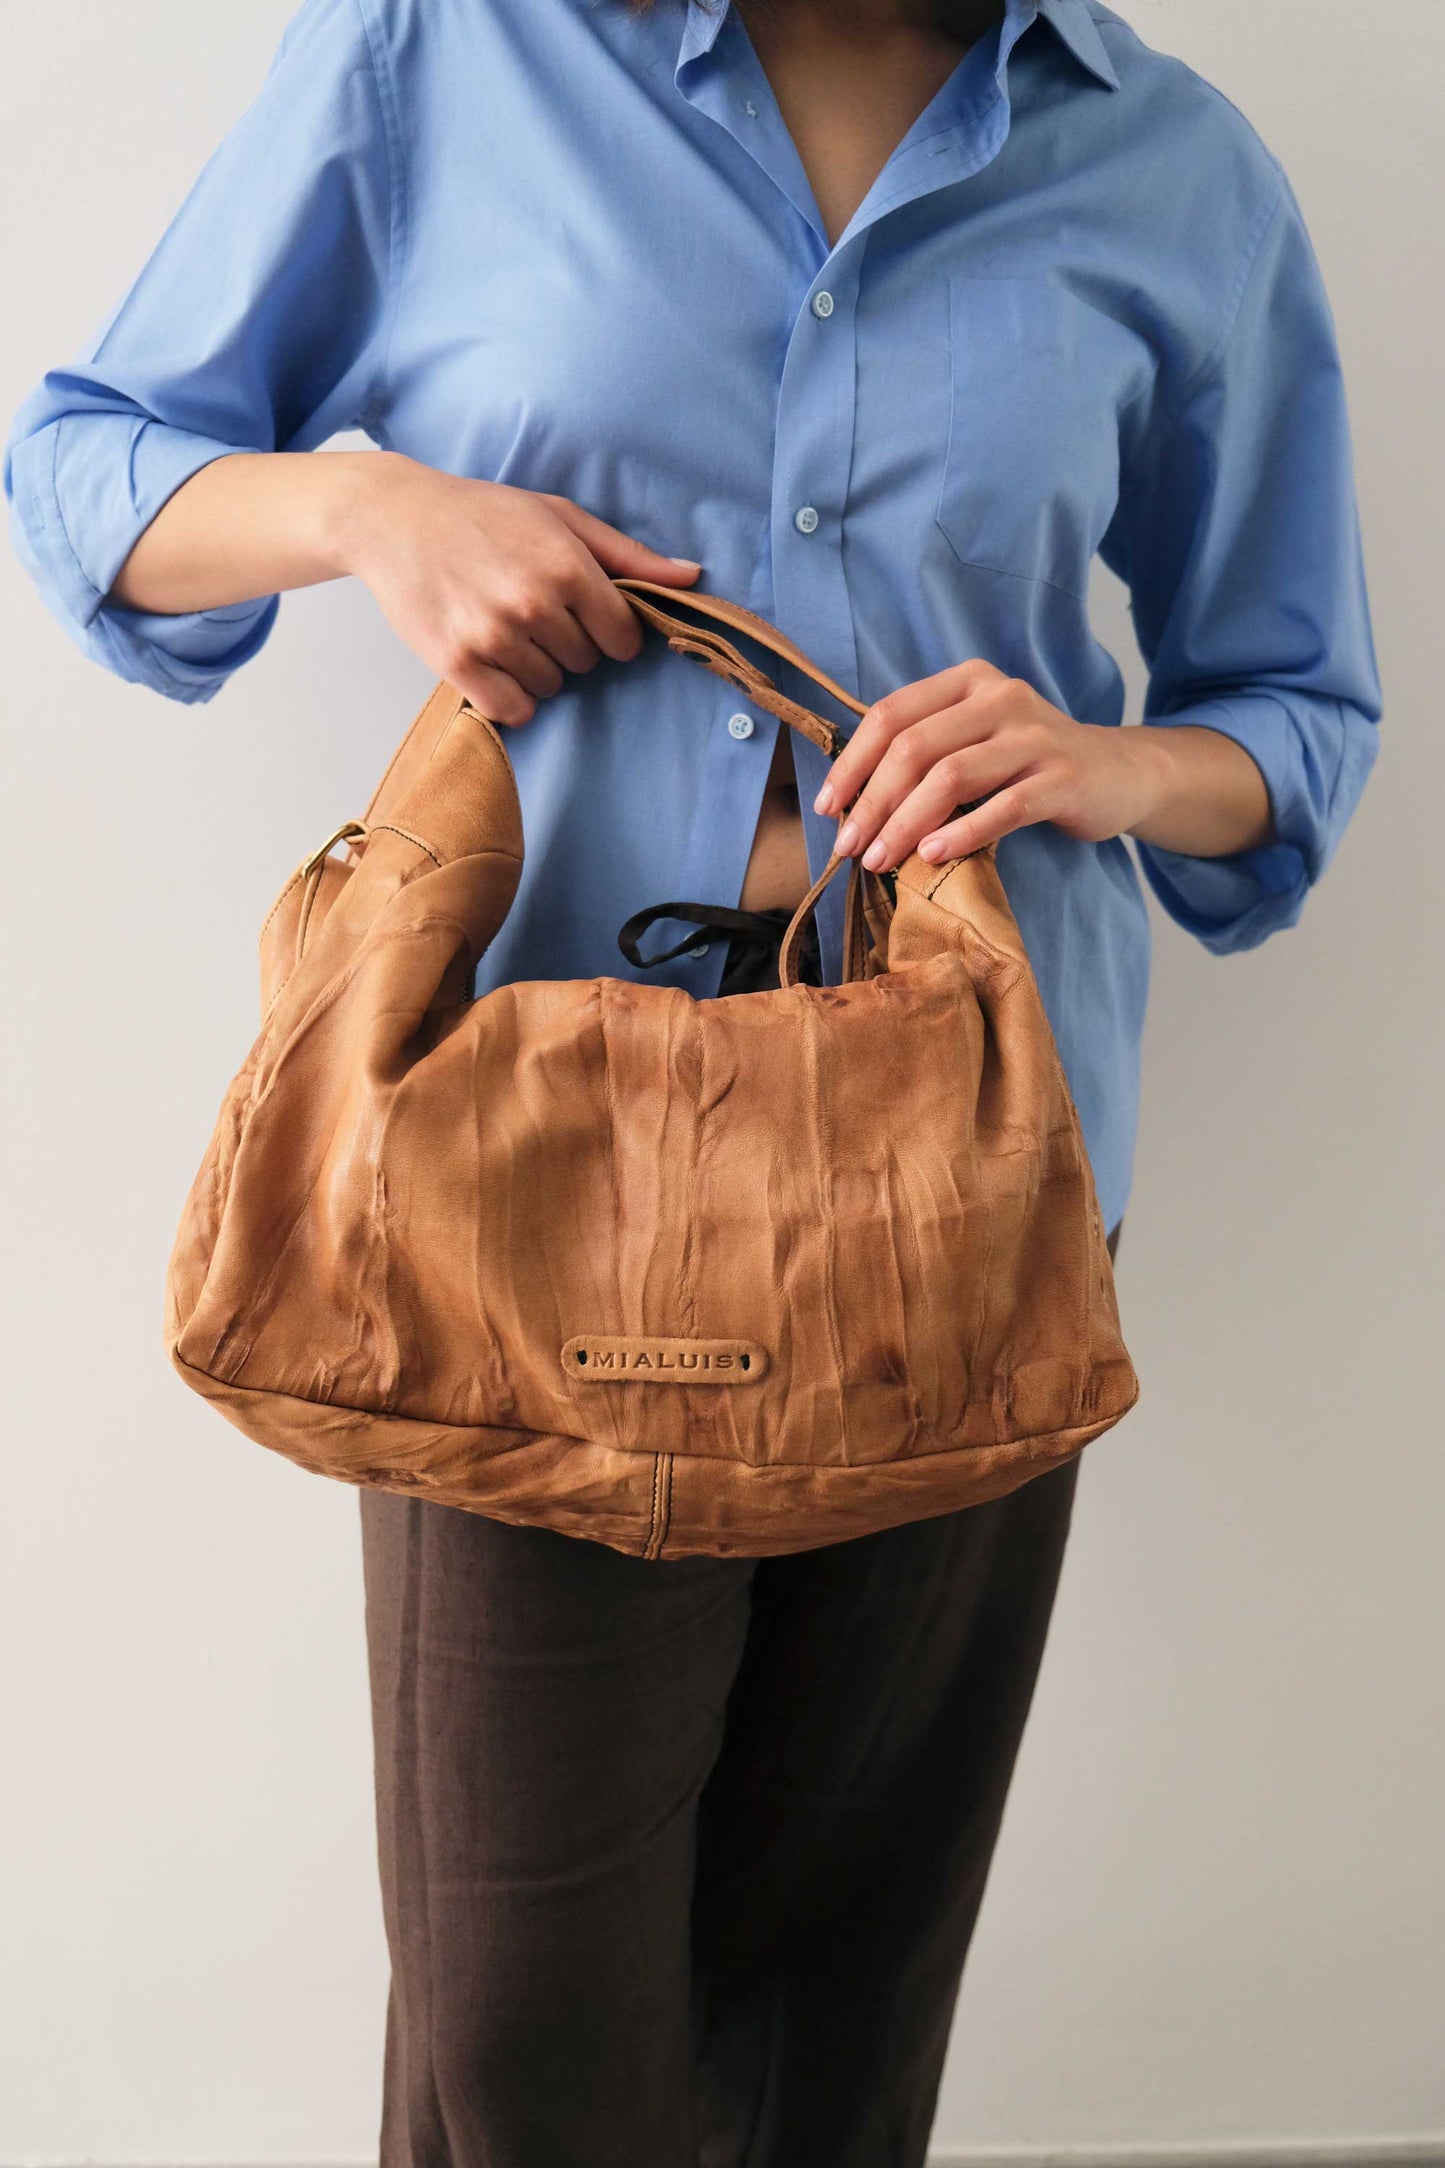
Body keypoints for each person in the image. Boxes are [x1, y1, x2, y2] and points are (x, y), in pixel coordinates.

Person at [3, 0, 1381, 2160]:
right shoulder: (442, 56)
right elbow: (87, 466)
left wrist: (1100, 762)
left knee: (839, 2020)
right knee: (517, 2036)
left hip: (968, 1192)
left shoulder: (1172, 168)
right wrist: (374, 509)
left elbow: (1293, 713)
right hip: (513, 1195)